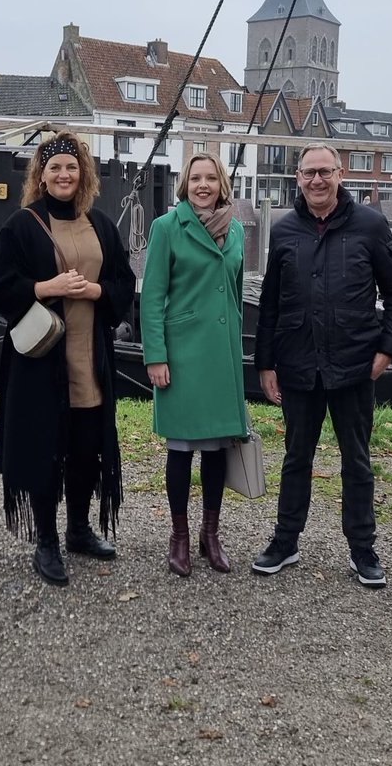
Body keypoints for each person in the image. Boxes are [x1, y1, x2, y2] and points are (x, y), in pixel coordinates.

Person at [252, 143, 392, 586]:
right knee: (295, 458)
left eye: (325, 172)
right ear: (297, 179)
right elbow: (270, 304)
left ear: (340, 174)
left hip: (353, 365)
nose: (317, 181)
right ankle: (285, 541)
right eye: (308, 174)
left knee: (356, 460)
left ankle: (363, 549)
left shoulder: (370, 226)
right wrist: (265, 363)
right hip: (299, 364)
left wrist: (388, 349)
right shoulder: (284, 232)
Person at [0, 132, 135, 586]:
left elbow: (123, 285)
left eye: (71, 167)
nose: (63, 175)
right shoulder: (22, 225)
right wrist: (46, 289)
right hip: (41, 361)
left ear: (82, 173)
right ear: (41, 176)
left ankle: (79, 529)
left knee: (87, 449)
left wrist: (96, 291)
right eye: (54, 169)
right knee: (48, 448)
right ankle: (46, 540)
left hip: (91, 357)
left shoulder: (102, 225)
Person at [141, 153, 249, 576]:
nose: (203, 185)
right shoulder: (167, 227)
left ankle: (211, 534)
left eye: (210, 178)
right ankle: (180, 536)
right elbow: (152, 297)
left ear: (222, 183)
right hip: (183, 352)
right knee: (182, 449)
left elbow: (236, 295)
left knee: (218, 448)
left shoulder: (236, 230)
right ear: (184, 184)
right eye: (195, 178)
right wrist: (156, 356)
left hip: (221, 354)